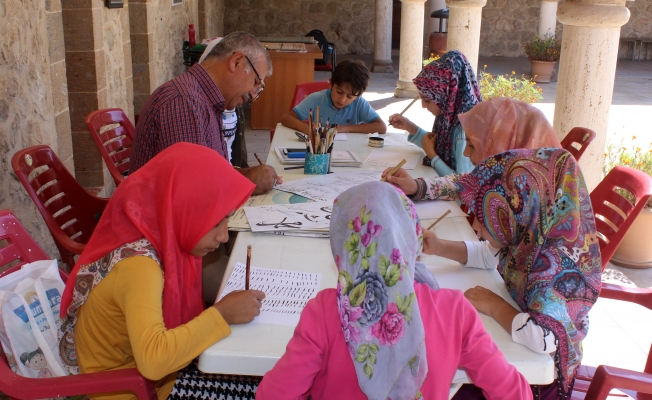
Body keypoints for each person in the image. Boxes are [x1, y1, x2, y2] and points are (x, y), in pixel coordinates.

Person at [256, 181, 532, 400]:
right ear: (412, 238)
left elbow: (274, 395)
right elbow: (513, 394)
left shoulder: (325, 310)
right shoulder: (454, 310)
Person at [58, 143, 266, 400]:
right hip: (132, 390)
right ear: (182, 210)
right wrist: (221, 314)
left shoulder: (163, 238)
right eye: (214, 223)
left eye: (227, 219)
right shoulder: (139, 267)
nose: (224, 236)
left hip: (151, 377)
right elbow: (153, 362)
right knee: (263, 389)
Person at [425, 148, 601, 399]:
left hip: (537, 383)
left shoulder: (553, 268)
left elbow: (543, 338)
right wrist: (439, 247)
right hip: (519, 362)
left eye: (485, 217)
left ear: (518, 211)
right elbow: (489, 255)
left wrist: (495, 306)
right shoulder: (528, 239)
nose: (475, 225)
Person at [130, 31, 280, 195]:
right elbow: (191, 196)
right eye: (255, 82)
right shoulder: (185, 103)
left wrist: (247, 175)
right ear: (236, 62)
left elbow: (210, 175)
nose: (252, 94)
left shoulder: (207, 101)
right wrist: (248, 182)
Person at [384, 97, 562, 200]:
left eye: (472, 145)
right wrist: (416, 186)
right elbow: (464, 182)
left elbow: (491, 254)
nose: (465, 153)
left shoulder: (536, 200)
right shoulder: (506, 177)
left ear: (501, 146)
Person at [388, 50, 481, 176]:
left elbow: (461, 182)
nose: (423, 106)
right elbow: (433, 143)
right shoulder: (448, 114)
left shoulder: (466, 127)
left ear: (446, 94)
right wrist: (408, 126)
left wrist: (432, 155)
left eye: (427, 100)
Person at [281, 60, 387, 134]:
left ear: (358, 95)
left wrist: (348, 128)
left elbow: (381, 127)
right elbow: (286, 118)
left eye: (349, 96)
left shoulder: (359, 103)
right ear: (331, 83)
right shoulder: (316, 99)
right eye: (339, 92)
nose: (342, 99)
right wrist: (305, 128)